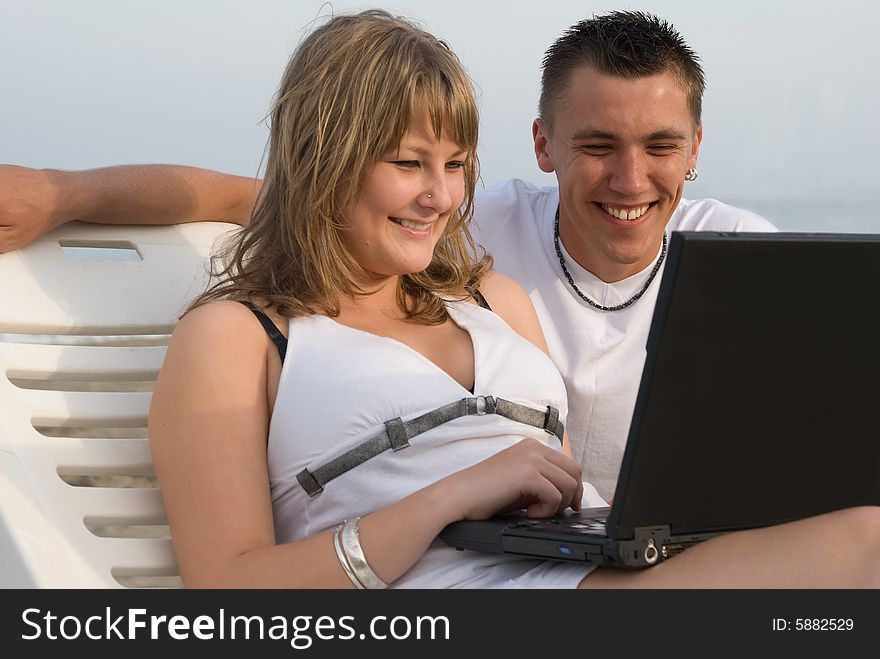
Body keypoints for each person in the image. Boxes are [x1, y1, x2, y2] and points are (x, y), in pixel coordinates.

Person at [0, 12, 779, 502]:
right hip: (531, 559)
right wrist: (62, 191)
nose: (631, 179)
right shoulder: (471, 233)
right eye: (598, 145)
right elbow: (252, 194)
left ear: (696, 150)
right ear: (545, 145)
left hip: (606, 545)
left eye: (662, 147)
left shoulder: (744, 260)